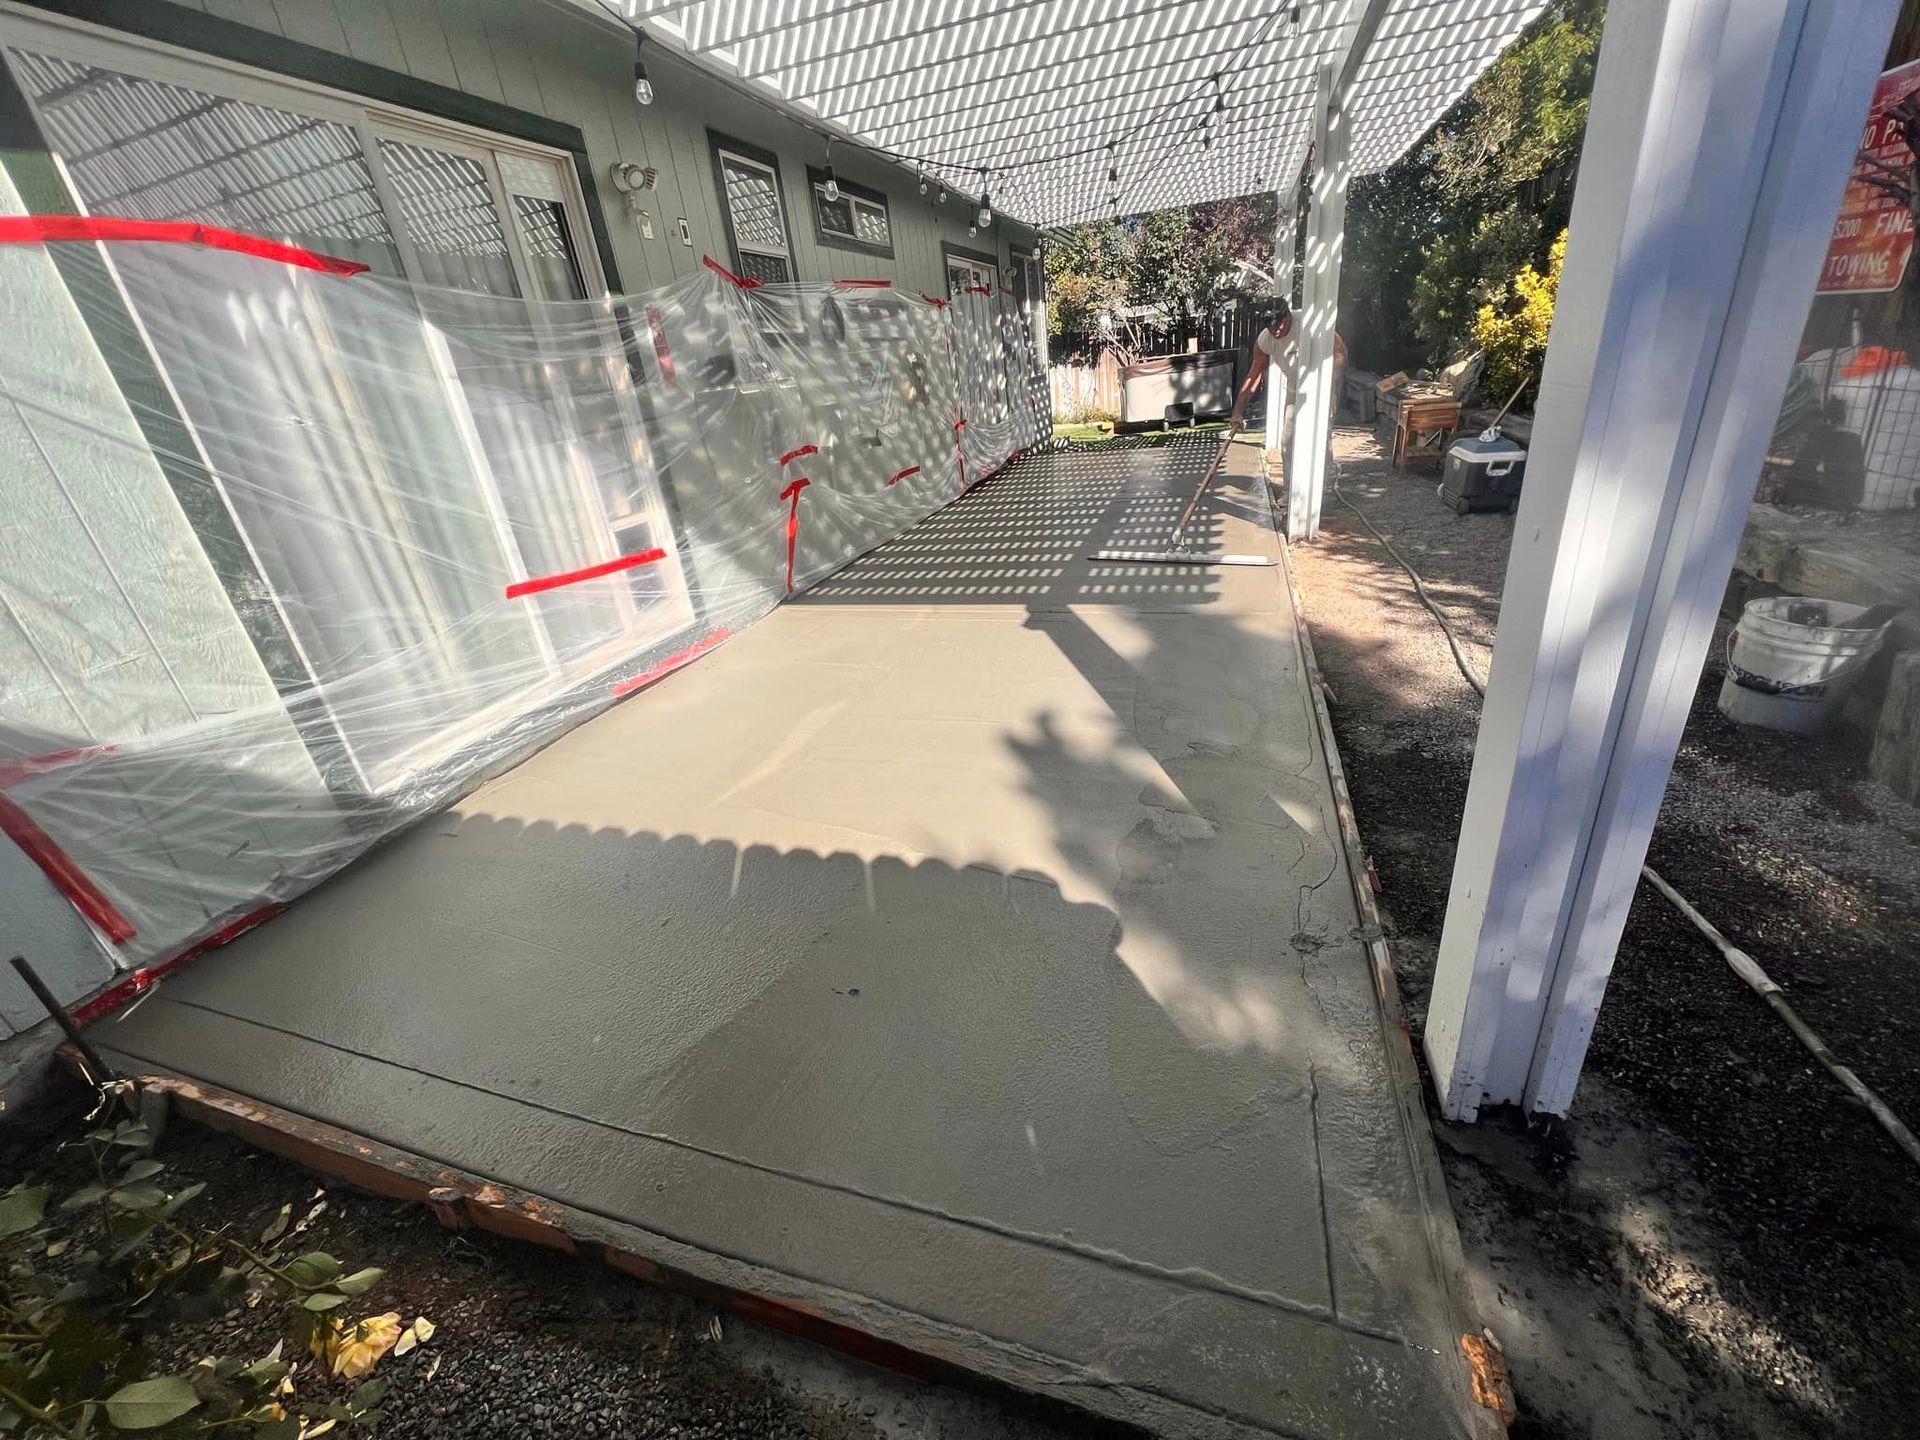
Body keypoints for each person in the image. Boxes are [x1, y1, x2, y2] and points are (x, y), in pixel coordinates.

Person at [1227, 298, 1346, 438]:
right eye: (1269, 326)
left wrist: (1331, 390)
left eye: (1278, 324)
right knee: (1288, 442)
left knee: (1319, 441)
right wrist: (1237, 412)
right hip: (1294, 390)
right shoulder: (1265, 341)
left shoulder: (1309, 323)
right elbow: (1253, 377)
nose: (1274, 329)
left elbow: (1339, 353)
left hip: (1320, 388)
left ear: (1288, 317)